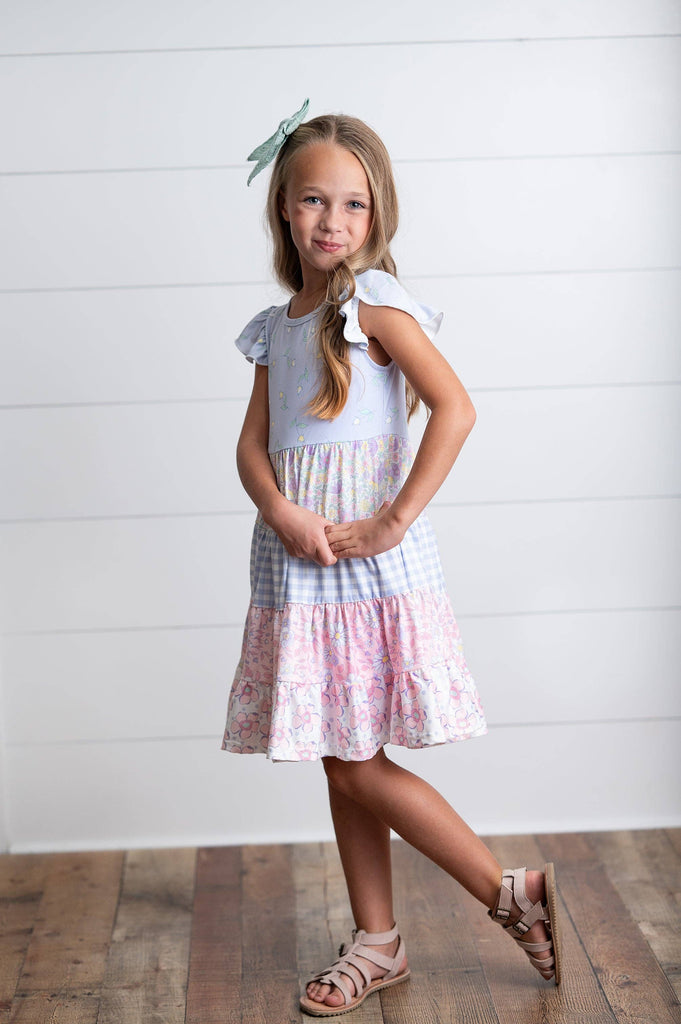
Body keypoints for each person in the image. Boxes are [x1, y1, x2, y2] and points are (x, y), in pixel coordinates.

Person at [222, 100, 563, 1015]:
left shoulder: (371, 303)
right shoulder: (277, 324)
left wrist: (392, 521)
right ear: (282, 208)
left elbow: (455, 407)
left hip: (366, 573)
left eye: (353, 204)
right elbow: (251, 446)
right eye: (312, 200)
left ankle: (506, 891)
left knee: (352, 761)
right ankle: (378, 940)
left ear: (377, 215)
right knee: (344, 753)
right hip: (299, 565)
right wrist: (279, 509)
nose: (331, 221)